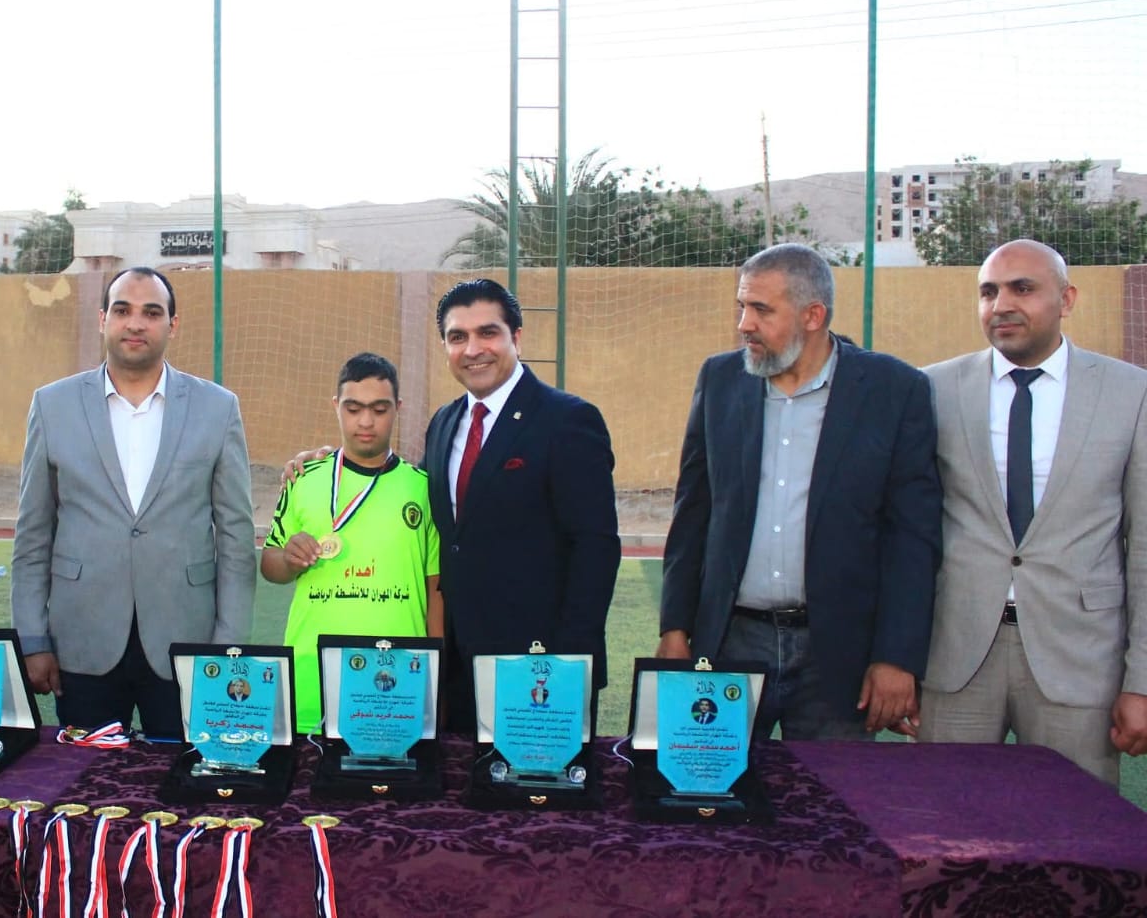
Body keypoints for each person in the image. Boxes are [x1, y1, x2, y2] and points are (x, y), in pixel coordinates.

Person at [657, 243, 942, 739]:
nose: (744, 324)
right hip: (730, 645)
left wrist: (897, 657)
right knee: (709, 783)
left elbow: (912, 537)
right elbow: (693, 514)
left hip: (836, 656)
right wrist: (674, 628)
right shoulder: (720, 379)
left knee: (830, 789)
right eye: (742, 307)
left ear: (813, 316)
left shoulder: (895, 390)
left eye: (761, 309)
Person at [918, 239, 1147, 785]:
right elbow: (904, 534)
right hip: (954, 655)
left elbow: (1143, 547)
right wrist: (896, 661)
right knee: (947, 822)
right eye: (988, 292)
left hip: (1079, 657)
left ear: (1066, 299)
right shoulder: (932, 389)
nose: (1001, 305)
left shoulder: (1131, 393)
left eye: (1022, 288)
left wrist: (1141, 681)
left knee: (1077, 828)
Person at [11, 267, 255, 738]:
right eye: (122, 310)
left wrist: (228, 646)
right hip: (82, 640)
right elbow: (33, 534)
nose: (136, 323)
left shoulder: (218, 408)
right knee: (84, 778)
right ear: (102, 319)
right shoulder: (52, 405)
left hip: (186, 642)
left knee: (185, 772)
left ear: (172, 325)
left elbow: (236, 538)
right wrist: (34, 639)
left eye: (151, 312)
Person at [425, 279, 620, 729]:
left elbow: (595, 547)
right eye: (458, 337)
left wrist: (567, 662)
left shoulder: (569, 419)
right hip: (459, 667)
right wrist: (328, 461)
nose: (473, 349)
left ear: (517, 337)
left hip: (541, 668)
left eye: (487, 332)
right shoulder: (444, 422)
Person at [261, 352, 442, 732]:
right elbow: (270, 565)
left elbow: (435, 590)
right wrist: (289, 559)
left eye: (379, 409)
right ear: (336, 406)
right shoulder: (302, 479)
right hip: (310, 676)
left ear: (397, 408)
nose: (366, 421)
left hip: (396, 679)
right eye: (353, 408)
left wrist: (434, 676)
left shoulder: (424, 489)